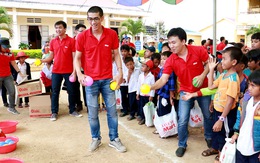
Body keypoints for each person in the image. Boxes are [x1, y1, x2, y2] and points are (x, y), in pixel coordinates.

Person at [150, 27, 212, 157]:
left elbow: (209, 63)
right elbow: (163, 80)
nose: (171, 46)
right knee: (182, 119)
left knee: (207, 115)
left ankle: (209, 137)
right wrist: (150, 87)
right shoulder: (171, 60)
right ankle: (182, 144)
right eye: (169, 43)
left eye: (174, 42)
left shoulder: (198, 50)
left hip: (203, 90)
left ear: (183, 41)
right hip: (185, 92)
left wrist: (202, 76)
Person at [74, 6, 126, 153]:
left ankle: (114, 139)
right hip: (90, 81)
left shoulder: (111, 34)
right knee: (92, 113)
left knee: (112, 111)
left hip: (108, 79)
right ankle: (95, 139)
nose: (93, 22)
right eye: (90, 18)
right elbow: (77, 58)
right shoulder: (82, 36)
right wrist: (79, 74)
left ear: (102, 18)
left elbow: (116, 54)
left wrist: (120, 72)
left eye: (96, 18)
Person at [41, 20, 82, 121]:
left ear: (64, 29)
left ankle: (72, 110)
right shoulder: (53, 41)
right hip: (56, 71)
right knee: (55, 92)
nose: (58, 30)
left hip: (69, 71)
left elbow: (74, 58)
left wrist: (74, 72)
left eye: (60, 27)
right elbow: (51, 56)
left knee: (71, 91)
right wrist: (42, 60)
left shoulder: (72, 41)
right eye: (56, 28)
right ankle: (54, 112)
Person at [207, 47, 242, 162]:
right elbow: (211, 86)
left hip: (225, 115)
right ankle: (220, 156)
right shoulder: (223, 75)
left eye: (225, 59)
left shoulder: (233, 79)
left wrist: (221, 119)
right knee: (218, 135)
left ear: (234, 62)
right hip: (219, 112)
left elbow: (230, 102)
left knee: (224, 137)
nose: (222, 61)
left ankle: (223, 158)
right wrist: (211, 69)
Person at [230, 70, 260, 163]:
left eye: (253, 85)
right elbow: (239, 118)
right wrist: (236, 133)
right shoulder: (245, 101)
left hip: (255, 149)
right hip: (242, 143)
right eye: (249, 84)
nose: (249, 88)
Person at [0, 37, 26, 114]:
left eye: (7, 47)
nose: (6, 49)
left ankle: (11, 107)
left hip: (8, 75)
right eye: (4, 47)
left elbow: (13, 63)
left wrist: (19, 72)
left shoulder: (10, 53)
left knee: (12, 92)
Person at [136, 60, 155, 125]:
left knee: (147, 107)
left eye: (143, 66)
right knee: (141, 106)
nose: (142, 67)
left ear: (148, 68)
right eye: (142, 66)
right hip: (142, 94)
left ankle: (147, 119)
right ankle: (142, 118)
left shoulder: (151, 76)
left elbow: (153, 86)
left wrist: (151, 95)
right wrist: (138, 93)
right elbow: (138, 84)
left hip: (148, 95)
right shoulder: (140, 76)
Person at [124, 56, 141, 120]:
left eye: (131, 64)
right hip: (131, 89)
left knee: (138, 102)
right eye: (127, 65)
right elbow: (127, 81)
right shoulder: (126, 72)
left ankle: (139, 114)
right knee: (131, 102)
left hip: (138, 89)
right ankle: (132, 114)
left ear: (133, 63)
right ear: (126, 66)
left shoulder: (138, 70)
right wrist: (129, 74)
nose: (129, 66)